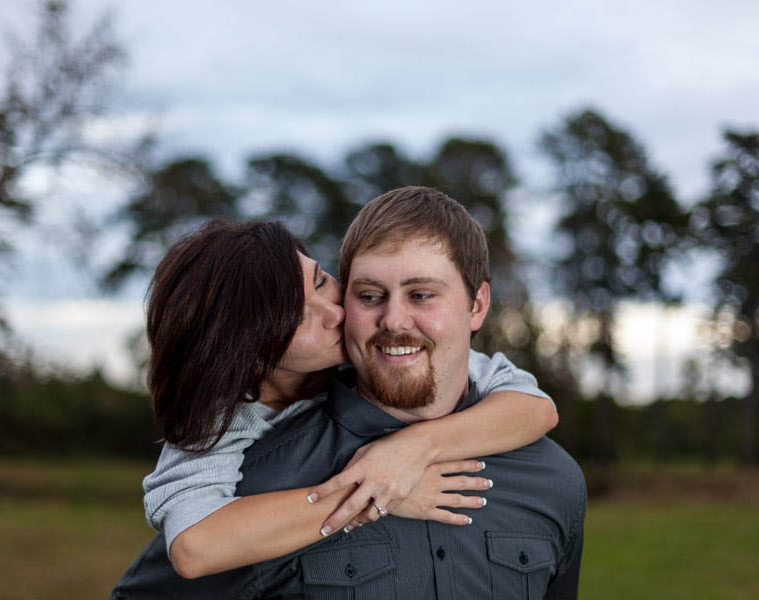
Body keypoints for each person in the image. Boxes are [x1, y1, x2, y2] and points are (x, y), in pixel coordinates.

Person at [111, 187, 586, 599]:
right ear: (256, 355)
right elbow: (196, 548)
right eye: (369, 296)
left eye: (322, 282)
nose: (339, 313)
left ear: (477, 305)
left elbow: (536, 407)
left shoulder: (552, 476)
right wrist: (373, 494)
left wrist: (411, 451)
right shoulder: (231, 448)